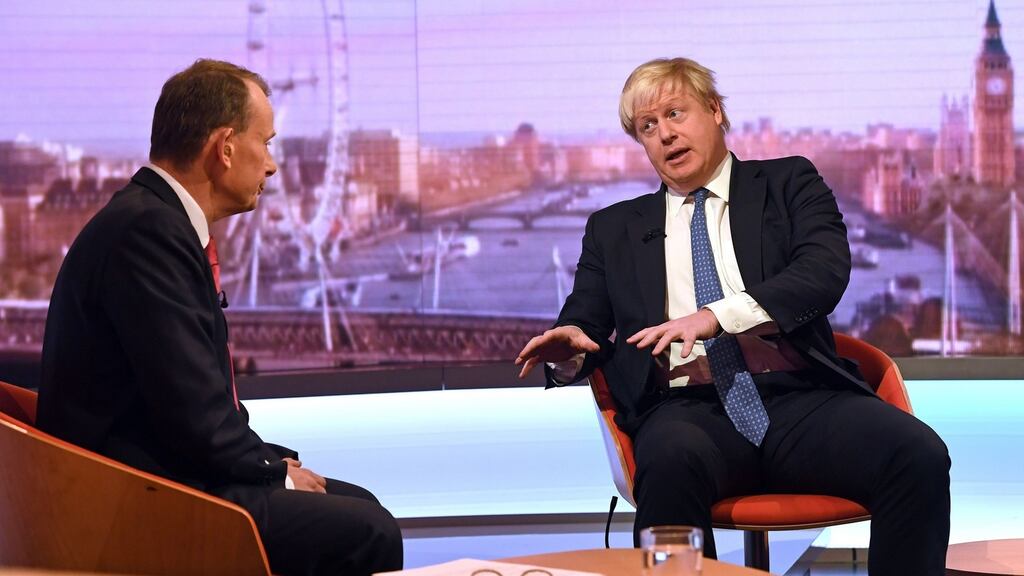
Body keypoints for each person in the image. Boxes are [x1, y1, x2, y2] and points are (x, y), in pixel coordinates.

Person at [515, 57, 950, 574]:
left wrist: (715, 317)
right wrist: (567, 353)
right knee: (668, 463)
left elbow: (823, 272)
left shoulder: (788, 182)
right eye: (647, 127)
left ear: (715, 110)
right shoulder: (613, 229)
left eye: (675, 113)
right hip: (685, 411)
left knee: (917, 455)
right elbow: (583, 328)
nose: (665, 134)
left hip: (802, 400)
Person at [37, 59, 403, 576]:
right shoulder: (147, 234)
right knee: (367, 531)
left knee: (359, 504)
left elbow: (191, 407)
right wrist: (274, 474)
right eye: (266, 143)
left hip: (160, 474)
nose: (272, 166)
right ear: (225, 147)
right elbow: (192, 413)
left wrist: (270, 463)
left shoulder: (151, 220)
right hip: (135, 498)